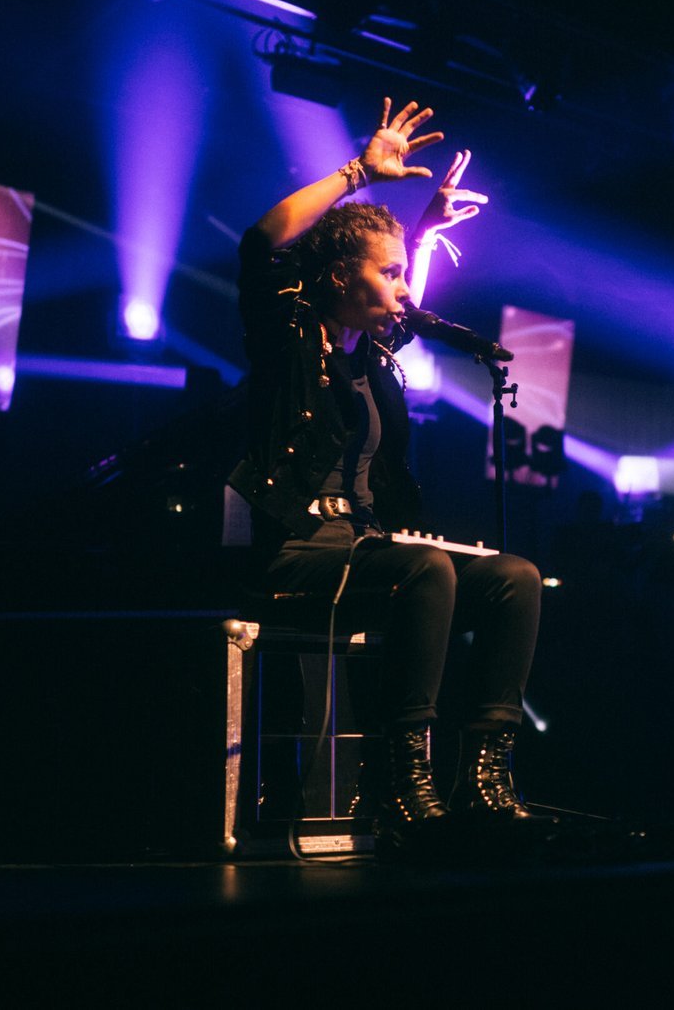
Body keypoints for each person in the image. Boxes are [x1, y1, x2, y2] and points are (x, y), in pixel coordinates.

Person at [228, 98, 541, 845]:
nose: (405, 289)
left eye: (404, 275)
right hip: (294, 551)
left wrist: (422, 233)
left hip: (362, 548)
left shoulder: (372, 356)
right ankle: (403, 782)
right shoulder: (289, 337)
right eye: (390, 273)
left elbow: (402, 300)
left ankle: (486, 781)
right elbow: (261, 241)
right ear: (340, 277)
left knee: (515, 578)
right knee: (425, 569)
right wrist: (358, 175)